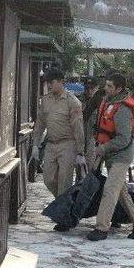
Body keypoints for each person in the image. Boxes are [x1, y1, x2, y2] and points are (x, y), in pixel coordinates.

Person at [87, 71, 134, 241]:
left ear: (119, 88)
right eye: (106, 84)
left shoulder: (122, 109)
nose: (105, 88)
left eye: (109, 86)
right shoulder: (108, 102)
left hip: (121, 156)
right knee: (121, 192)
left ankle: (101, 228)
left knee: (110, 190)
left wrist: (103, 148)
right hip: (110, 155)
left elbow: (123, 139)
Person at [32, 68, 86, 231]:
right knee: (48, 179)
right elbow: (40, 122)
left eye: (52, 82)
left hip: (67, 144)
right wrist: (35, 143)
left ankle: (64, 219)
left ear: (61, 82)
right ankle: (65, 205)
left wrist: (80, 151)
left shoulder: (72, 101)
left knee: (64, 181)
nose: (49, 85)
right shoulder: (45, 100)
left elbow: (78, 127)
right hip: (51, 144)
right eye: (47, 82)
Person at [82, 76, 104, 169]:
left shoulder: (102, 101)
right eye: (87, 88)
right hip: (81, 135)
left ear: (97, 88)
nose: (90, 91)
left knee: (91, 161)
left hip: (95, 136)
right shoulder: (78, 101)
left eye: (92, 88)